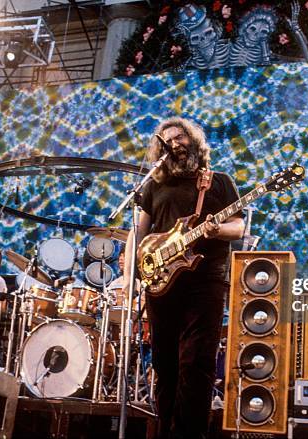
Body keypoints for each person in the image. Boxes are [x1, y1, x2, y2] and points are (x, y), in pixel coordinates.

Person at [119, 117, 244, 439]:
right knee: (166, 366)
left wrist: (217, 229)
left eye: (179, 137)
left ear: (193, 140)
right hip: (160, 285)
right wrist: (130, 277)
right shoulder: (154, 186)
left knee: (196, 363)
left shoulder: (218, 181)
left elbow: (240, 227)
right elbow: (138, 233)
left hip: (204, 283)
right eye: (166, 140)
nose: (174, 143)